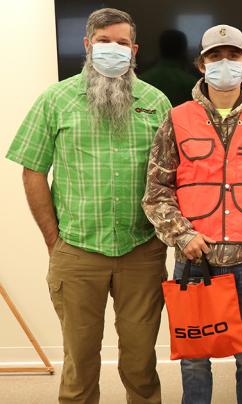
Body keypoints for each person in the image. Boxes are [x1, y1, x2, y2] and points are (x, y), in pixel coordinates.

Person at [6, 8, 171, 403]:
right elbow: (33, 171)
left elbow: (173, 177)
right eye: (104, 41)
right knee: (79, 362)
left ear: (134, 50)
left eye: (122, 43)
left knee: (141, 361)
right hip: (78, 252)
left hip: (142, 250)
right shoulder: (56, 99)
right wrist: (53, 240)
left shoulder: (156, 102)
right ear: (87, 45)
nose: (113, 50)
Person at [142, 24, 242, 403]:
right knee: (194, 358)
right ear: (200, 65)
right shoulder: (177, 119)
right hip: (195, 262)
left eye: (232, 56)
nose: (223, 63)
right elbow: (156, 191)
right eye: (214, 56)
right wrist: (183, 236)